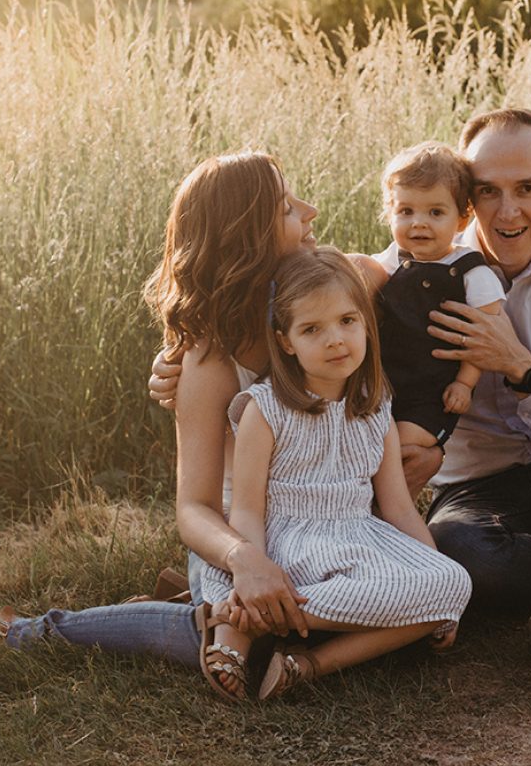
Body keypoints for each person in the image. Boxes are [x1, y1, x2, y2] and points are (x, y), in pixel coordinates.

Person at [150, 110, 531, 690]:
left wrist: (522, 369)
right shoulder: (401, 268)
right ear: (467, 199)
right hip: (476, 497)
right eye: (488, 191)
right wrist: (178, 361)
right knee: (462, 556)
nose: (507, 210)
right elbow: (310, 310)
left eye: (528, 189)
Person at [0, 154, 319, 676]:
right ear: (249, 240)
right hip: (241, 530)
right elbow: (194, 507)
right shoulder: (211, 360)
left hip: (324, 520)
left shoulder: (332, 300)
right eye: (287, 207)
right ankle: (25, 632)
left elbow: (396, 265)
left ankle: (176, 605)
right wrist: (245, 559)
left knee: (311, 618)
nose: (311, 211)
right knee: (252, 641)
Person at [197, 246, 471, 701]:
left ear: (366, 323)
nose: (335, 340)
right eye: (311, 329)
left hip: (356, 539)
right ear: (285, 341)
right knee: (427, 600)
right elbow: (246, 511)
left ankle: (300, 661)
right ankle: (249, 608)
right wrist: (255, 572)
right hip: (286, 544)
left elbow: (399, 507)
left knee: (455, 584)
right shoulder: (264, 410)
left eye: (347, 321)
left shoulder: (376, 402)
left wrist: (438, 578)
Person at [359, 142, 504, 496]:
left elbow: (483, 337)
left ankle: (393, 512)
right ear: (389, 212)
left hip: (432, 393)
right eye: (406, 211)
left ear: (462, 218)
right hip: (384, 384)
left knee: (399, 449)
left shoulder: (470, 271)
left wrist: (465, 383)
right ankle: (363, 508)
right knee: (366, 445)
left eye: (435, 213)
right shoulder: (390, 262)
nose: (418, 223)